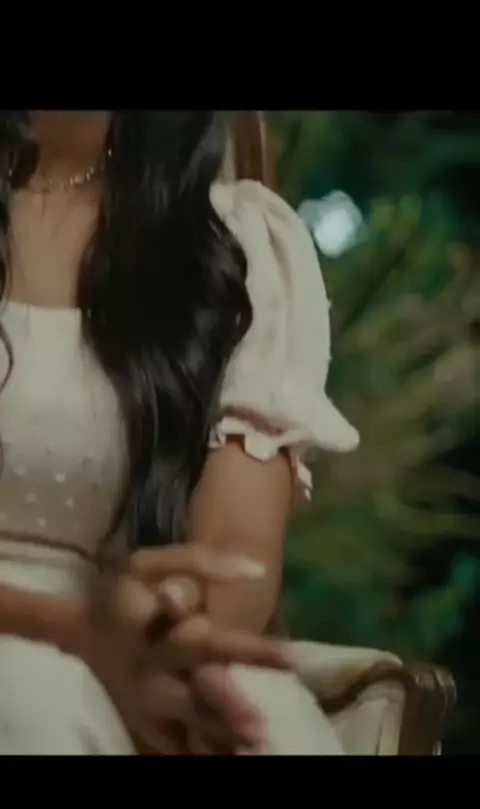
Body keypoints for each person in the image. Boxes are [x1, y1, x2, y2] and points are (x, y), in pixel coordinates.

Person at [0, 110, 359, 755]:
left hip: (131, 640)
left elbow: (235, 548)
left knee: (244, 721)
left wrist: (165, 627)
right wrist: (72, 631)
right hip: (38, 641)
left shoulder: (228, 246)